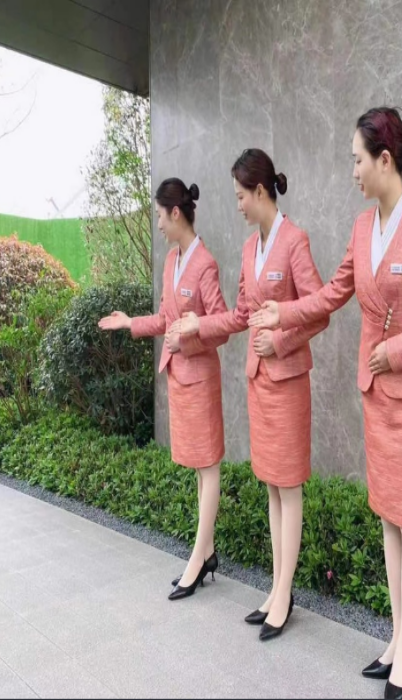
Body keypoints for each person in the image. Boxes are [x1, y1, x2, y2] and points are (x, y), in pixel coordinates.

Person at [249, 108, 402, 698]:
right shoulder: (361, 227)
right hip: (377, 398)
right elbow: (330, 295)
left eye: (356, 159)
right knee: (390, 518)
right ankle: (397, 639)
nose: (352, 171)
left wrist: (398, 350)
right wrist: (282, 312)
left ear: (384, 161)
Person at [177, 149, 328, 641]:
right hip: (259, 383)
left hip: (288, 382)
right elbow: (241, 315)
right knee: (271, 486)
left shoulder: (295, 241)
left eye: (241, 196)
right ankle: (277, 588)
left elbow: (319, 311)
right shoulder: (249, 249)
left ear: (260, 191)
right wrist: (200, 324)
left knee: (289, 486)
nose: (238, 204)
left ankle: (284, 593)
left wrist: (280, 341)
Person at [99, 177, 229, 601]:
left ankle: (197, 560)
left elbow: (221, 325)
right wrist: (130, 323)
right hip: (180, 380)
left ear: (176, 213)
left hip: (201, 379)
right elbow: (164, 319)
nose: (157, 224)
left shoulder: (205, 264)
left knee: (209, 468)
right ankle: (207, 552)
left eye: (159, 215)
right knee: (198, 468)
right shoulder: (172, 261)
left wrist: (186, 338)